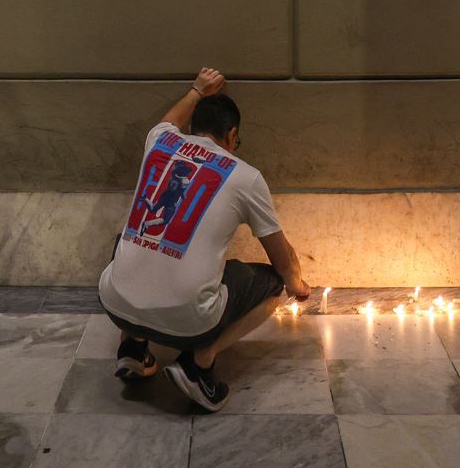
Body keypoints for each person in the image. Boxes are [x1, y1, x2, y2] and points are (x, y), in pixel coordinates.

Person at [97, 67, 310, 412]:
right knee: (272, 284)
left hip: (114, 302)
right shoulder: (245, 176)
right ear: (232, 134)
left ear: (193, 129)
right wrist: (295, 281)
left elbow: (168, 120)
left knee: (130, 239)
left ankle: (133, 348)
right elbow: (280, 258)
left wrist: (197, 89)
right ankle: (199, 364)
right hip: (190, 322)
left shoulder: (160, 142)